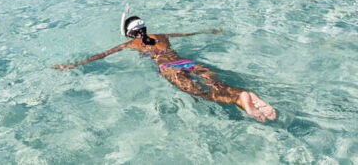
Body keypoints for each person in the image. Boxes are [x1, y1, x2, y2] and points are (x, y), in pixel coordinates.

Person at [51, 12, 277, 122]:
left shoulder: (131, 43)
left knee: (197, 91)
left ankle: (238, 100)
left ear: (130, 34)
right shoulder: (161, 35)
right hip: (185, 62)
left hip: (168, 67)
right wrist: (210, 31)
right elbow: (189, 33)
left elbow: (100, 56)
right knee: (215, 82)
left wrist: (73, 65)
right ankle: (243, 95)